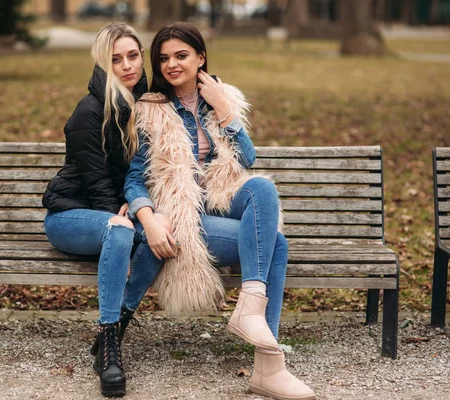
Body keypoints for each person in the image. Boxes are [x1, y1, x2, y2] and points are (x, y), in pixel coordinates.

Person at [123, 22, 316, 400]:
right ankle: (269, 366)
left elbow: (247, 157)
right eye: (163, 58)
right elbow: (134, 178)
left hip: (223, 202)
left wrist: (224, 108)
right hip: (185, 217)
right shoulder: (151, 110)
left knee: (260, 185)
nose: (171, 65)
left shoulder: (222, 98)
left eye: (181, 56)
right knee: (275, 244)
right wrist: (147, 215)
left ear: (201, 58)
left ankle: (250, 307)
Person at [41, 23, 166, 398]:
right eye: (116, 59)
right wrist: (121, 218)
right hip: (69, 217)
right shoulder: (90, 110)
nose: (127, 65)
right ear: (103, 63)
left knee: (161, 233)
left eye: (132, 56)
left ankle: (118, 326)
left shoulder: (146, 104)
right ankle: (111, 348)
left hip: (115, 215)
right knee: (124, 231)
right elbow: (96, 183)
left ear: (141, 57)